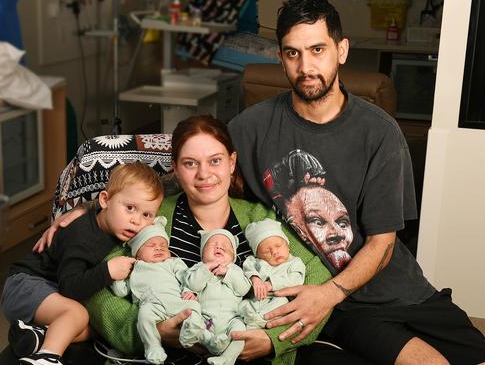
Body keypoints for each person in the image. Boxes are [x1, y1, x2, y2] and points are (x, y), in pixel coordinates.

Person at [227, 0, 485, 364]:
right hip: (342, 306)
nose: (306, 66)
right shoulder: (250, 128)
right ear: (280, 57)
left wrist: (330, 293)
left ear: (341, 50)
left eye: (317, 50)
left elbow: (383, 244)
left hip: (401, 290)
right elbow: (198, 172)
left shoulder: (379, 133)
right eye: (293, 53)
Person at [36, 115, 332, 365]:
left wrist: (272, 342)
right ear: (175, 169)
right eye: (190, 163)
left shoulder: (260, 218)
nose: (204, 174)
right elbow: (97, 288)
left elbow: (319, 279)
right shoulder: (148, 218)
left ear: (231, 163)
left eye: (215, 161)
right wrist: (149, 332)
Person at [1, 162, 163, 365]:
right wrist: (107, 272)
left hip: (51, 288)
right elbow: (69, 288)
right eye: (130, 208)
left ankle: (36, 337)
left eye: (147, 215)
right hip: (25, 284)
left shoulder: (118, 228)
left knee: (97, 327)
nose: (137, 221)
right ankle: (47, 358)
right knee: (77, 314)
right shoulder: (81, 235)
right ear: (105, 200)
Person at [111, 216, 207, 364]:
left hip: (176, 300)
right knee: (144, 317)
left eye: (164, 245)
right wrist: (117, 278)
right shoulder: (134, 270)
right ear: (137, 254)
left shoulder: (172, 262)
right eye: (151, 245)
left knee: (194, 306)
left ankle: (194, 331)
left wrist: (190, 291)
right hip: (152, 305)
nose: (159, 248)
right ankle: (153, 347)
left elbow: (187, 277)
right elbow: (121, 291)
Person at [183, 229, 251, 365]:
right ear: (202, 254)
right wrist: (205, 269)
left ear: (233, 257)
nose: (219, 246)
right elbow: (192, 285)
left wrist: (227, 273)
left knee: (240, 332)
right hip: (206, 318)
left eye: (226, 245)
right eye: (212, 244)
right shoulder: (198, 268)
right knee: (195, 325)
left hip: (232, 318)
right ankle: (211, 342)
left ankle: (227, 358)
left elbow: (244, 289)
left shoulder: (235, 270)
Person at [238, 218, 305, 329]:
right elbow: (247, 267)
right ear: (258, 255)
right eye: (266, 251)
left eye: (278, 246)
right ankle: (242, 321)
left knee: (282, 302)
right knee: (240, 306)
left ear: (287, 245)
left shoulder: (294, 262)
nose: (274, 252)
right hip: (254, 301)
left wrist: (271, 284)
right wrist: (255, 278)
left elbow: (296, 279)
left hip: (275, 299)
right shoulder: (256, 261)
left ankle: (255, 323)